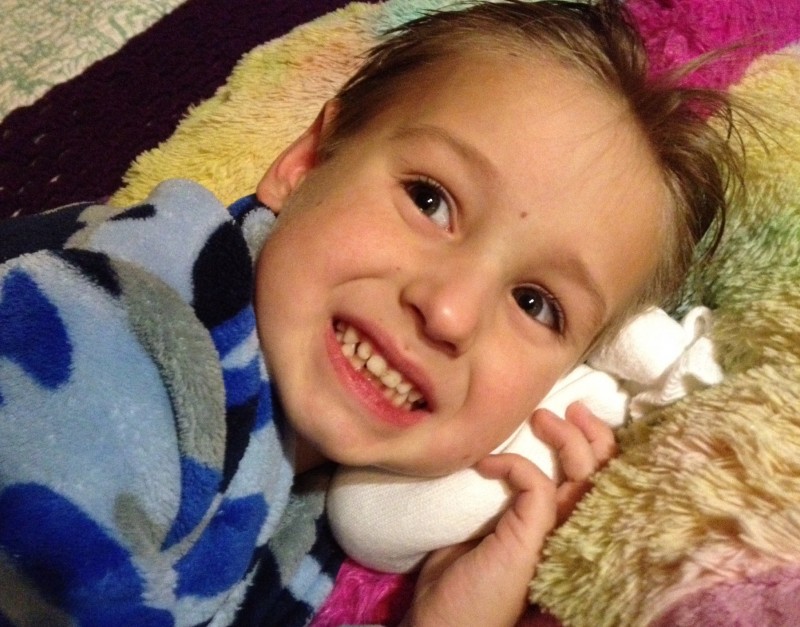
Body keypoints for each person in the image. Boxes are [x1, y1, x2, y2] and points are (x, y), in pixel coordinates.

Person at [0, 1, 740, 626]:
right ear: (305, 163)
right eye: (429, 200)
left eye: (535, 304)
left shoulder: (313, 505)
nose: (449, 311)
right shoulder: (133, 319)